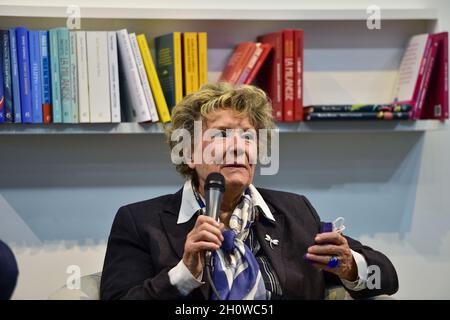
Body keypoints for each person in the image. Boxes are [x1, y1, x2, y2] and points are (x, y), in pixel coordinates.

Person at [100, 82, 398, 300]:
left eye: (248, 137)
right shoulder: (140, 221)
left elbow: (386, 276)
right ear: (188, 153)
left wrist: (349, 266)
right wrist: (182, 275)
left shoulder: (294, 211)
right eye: (221, 135)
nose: (238, 146)